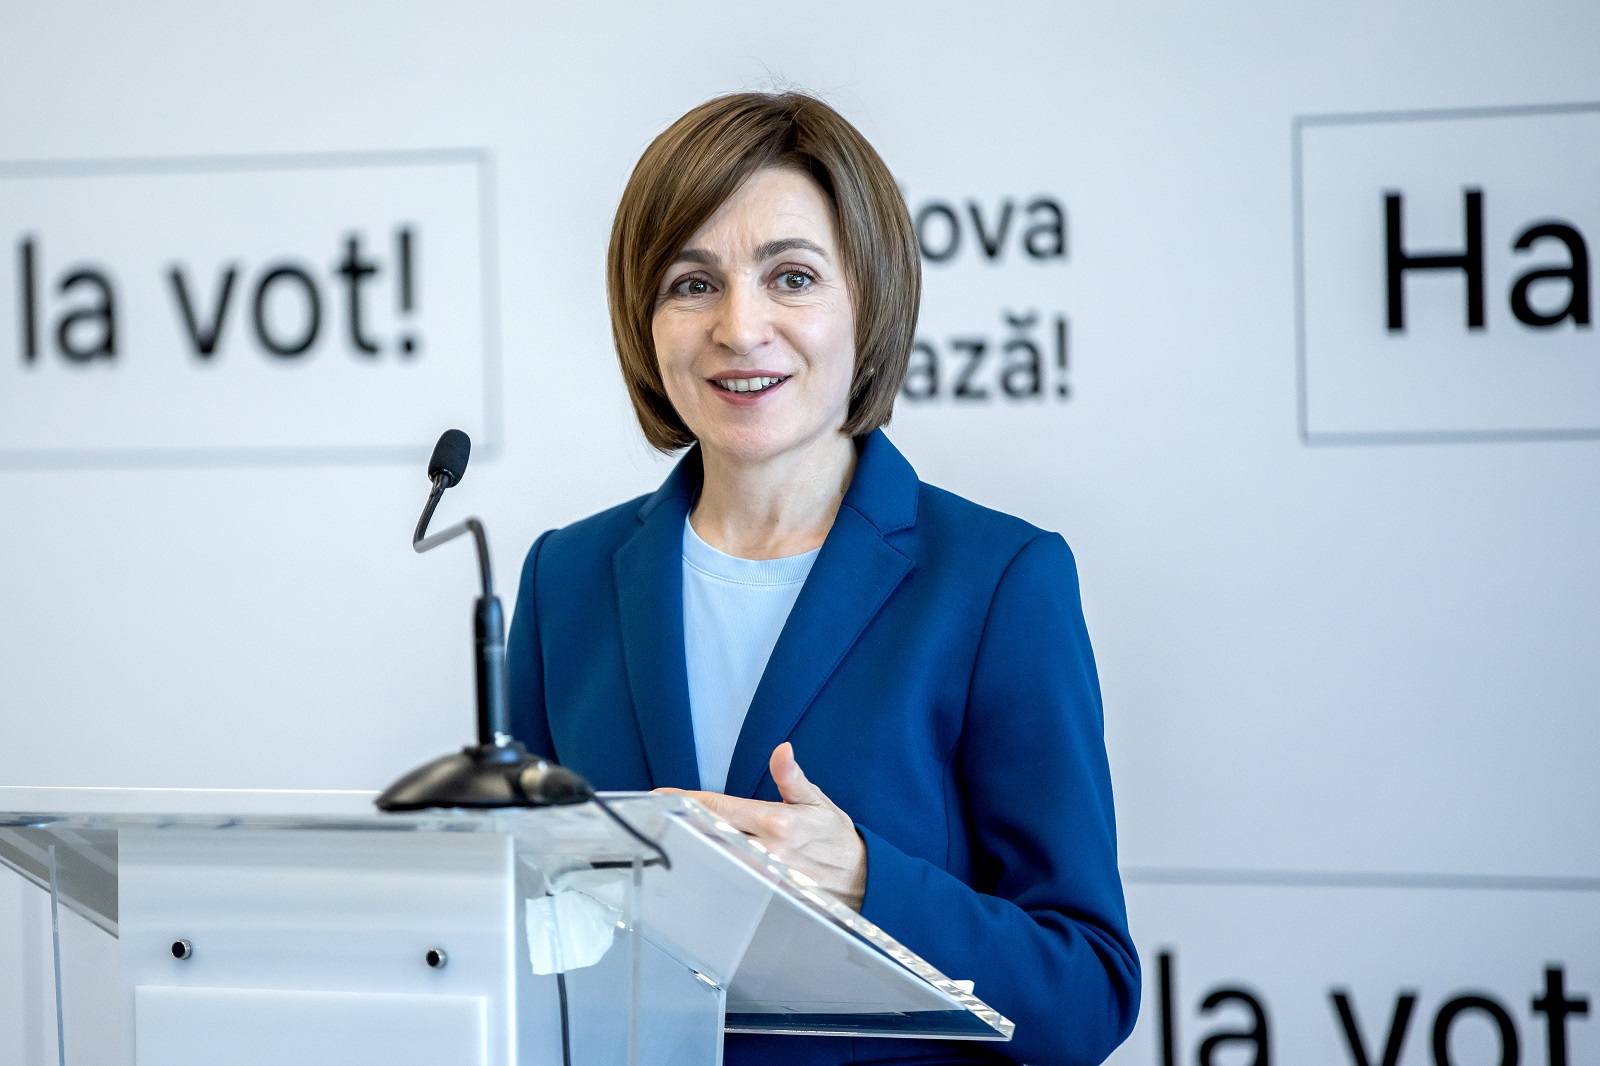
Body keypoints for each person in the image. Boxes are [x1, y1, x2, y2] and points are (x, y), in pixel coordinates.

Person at [507, 91, 1139, 1066]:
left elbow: (1087, 989)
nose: (738, 326)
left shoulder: (997, 580)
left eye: (791, 276)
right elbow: (529, 941)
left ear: (868, 303)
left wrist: (863, 880)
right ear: (645, 318)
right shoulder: (566, 578)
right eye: (691, 283)